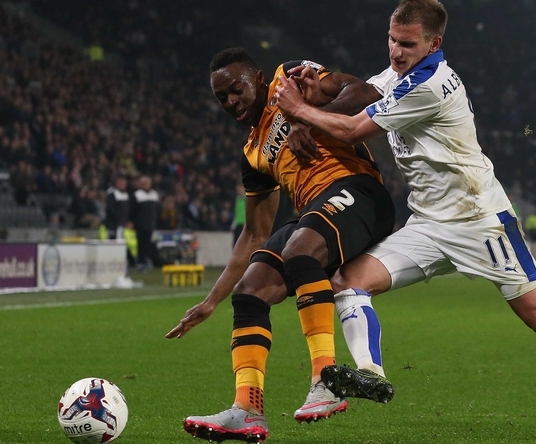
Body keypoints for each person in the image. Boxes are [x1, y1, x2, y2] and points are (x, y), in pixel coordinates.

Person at [273, 0, 536, 443]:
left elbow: (352, 129)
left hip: (481, 220)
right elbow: (359, 91)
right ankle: (367, 374)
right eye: (391, 39)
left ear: (434, 43)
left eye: (406, 43)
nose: (395, 51)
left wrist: (297, 109)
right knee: (347, 281)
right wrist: (319, 89)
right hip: (427, 224)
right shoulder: (399, 74)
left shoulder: (429, 84)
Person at [165, 48, 394, 442]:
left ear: (256, 79)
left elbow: (366, 92)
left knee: (300, 248)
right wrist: (211, 301)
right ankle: (247, 410)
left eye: (235, 90)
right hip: (315, 214)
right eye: (222, 98)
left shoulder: (289, 80)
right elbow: (253, 234)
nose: (231, 102)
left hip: (358, 191)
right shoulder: (252, 154)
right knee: (250, 291)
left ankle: (326, 381)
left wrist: (309, 118)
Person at [130, 175, 160, 271]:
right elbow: (132, 210)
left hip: (150, 224)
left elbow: (158, 210)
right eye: (143, 183)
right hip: (140, 224)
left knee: (147, 244)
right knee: (140, 244)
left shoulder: (154, 194)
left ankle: (145, 261)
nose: (145, 185)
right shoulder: (137, 195)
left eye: (146, 183)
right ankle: (140, 262)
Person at [104, 175, 130, 239]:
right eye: (121, 182)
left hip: (124, 226)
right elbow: (111, 210)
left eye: (124, 182)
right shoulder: (112, 194)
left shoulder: (126, 195)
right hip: (114, 225)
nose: (123, 184)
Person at [232, 182, 246, 247]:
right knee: (235, 244)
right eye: (237, 189)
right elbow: (236, 212)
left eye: (240, 189)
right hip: (237, 224)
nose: (238, 190)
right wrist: (233, 223)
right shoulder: (237, 199)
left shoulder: (246, 199)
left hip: (244, 225)